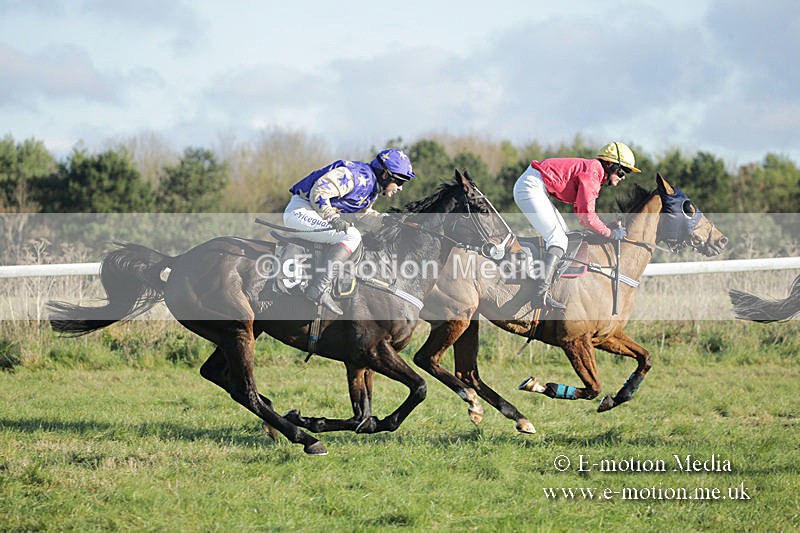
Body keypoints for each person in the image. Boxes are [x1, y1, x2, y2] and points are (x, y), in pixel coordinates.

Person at [283, 148, 416, 315]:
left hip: (312, 213)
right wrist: (332, 217)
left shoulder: (370, 188)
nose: (400, 188)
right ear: (385, 175)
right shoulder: (354, 176)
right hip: (300, 211)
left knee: (353, 234)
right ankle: (319, 288)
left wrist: (386, 221)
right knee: (351, 235)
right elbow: (319, 191)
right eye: (400, 182)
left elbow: (361, 214)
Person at [513, 141, 641, 310]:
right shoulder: (593, 173)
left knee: (564, 238)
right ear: (610, 164)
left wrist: (606, 229)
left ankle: (546, 286)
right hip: (530, 187)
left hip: (535, 186)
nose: (623, 177)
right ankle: (540, 294)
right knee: (558, 240)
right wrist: (610, 233)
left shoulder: (596, 172)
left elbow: (582, 213)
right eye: (622, 171)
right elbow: (586, 218)